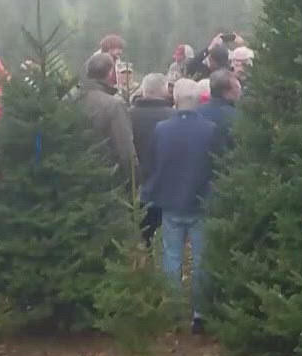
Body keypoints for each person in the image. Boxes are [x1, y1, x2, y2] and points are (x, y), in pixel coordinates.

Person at [146, 78, 222, 334]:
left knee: (171, 256)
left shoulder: (161, 130)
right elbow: (217, 166)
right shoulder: (211, 129)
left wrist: (150, 194)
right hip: (202, 202)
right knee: (202, 259)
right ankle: (200, 313)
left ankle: (173, 309)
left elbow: (154, 165)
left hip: (171, 201)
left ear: (174, 99)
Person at [131, 73, 176, 239]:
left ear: (143, 91)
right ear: (165, 91)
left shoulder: (129, 115)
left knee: (141, 234)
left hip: (137, 184)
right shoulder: (173, 116)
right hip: (167, 186)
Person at [81, 50, 138, 179]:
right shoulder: (113, 105)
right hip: (104, 177)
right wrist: (134, 180)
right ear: (110, 73)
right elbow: (125, 149)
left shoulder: (69, 98)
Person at [199, 68, 241, 141]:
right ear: (227, 93)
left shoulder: (197, 113)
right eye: (237, 87)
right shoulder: (237, 117)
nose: (240, 91)